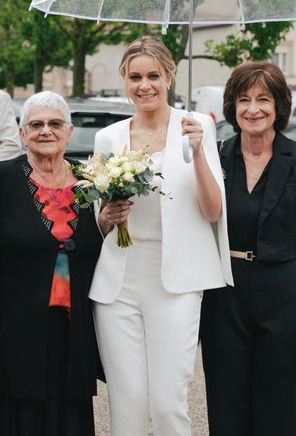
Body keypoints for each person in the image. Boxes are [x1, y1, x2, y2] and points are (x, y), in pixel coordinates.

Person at [89, 36, 232, 436]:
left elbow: (213, 211)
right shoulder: (109, 138)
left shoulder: (196, 127)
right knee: (127, 400)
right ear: (125, 81)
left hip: (176, 281)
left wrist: (199, 152)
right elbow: (97, 224)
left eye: (153, 75)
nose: (144, 85)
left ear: (169, 75)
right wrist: (107, 217)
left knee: (168, 402)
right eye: (135, 77)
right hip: (118, 281)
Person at [0, 91, 103, 436]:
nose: (45, 131)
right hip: (11, 329)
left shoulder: (93, 182)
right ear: (22, 133)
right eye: (35, 124)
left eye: (55, 124)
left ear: (69, 132)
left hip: (71, 328)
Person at [199, 61, 296, 436]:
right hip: (225, 293)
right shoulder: (214, 155)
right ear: (231, 106)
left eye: (263, 99)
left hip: (283, 295)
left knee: (279, 407)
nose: (252, 109)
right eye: (243, 99)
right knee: (226, 404)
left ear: (279, 106)